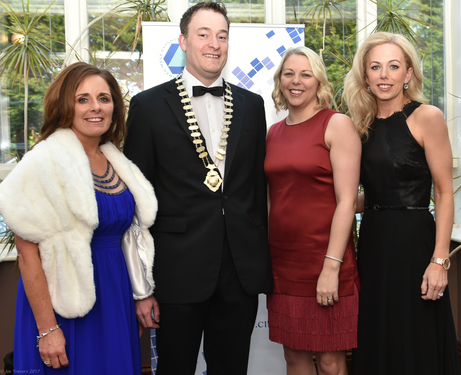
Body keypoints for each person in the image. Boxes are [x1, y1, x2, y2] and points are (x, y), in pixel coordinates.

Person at [123, 2, 273, 375]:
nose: (214, 44)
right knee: (175, 368)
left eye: (222, 36)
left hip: (238, 271)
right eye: (203, 34)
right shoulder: (148, 106)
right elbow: (136, 201)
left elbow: (256, 187)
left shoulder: (253, 106)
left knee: (232, 367)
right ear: (183, 42)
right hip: (176, 270)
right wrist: (143, 285)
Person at [0, 62, 158, 374]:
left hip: (114, 295)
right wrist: (47, 329)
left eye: (104, 98)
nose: (95, 107)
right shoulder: (42, 163)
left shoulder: (116, 159)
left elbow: (130, 236)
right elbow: (28, 255)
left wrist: (140, 295)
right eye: (82, 99)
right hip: (64, 306)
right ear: (64, 105)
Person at [343, 31, 461, 375]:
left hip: (414, 244)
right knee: (378, 332)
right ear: (365, 76)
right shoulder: (360, 125)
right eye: (376, 67)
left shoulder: (427, 117)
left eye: (393, 66)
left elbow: (442, 191)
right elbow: (377, 194)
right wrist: (334, 206)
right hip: (375, 244)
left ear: (408, 73)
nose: (384, 75)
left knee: (414, 333)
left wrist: (439, 261)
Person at [265, 46, 361, 375]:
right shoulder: (273, 133)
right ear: (280, 81)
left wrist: (331, 267)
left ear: (319, 82)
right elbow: (272, 198)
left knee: (332, 362)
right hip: (283, 263)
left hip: (325, 260)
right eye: (289, 74)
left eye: (305, 74)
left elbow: (347, 201)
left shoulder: (337, 125)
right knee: (294, 358)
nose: (296, 81)